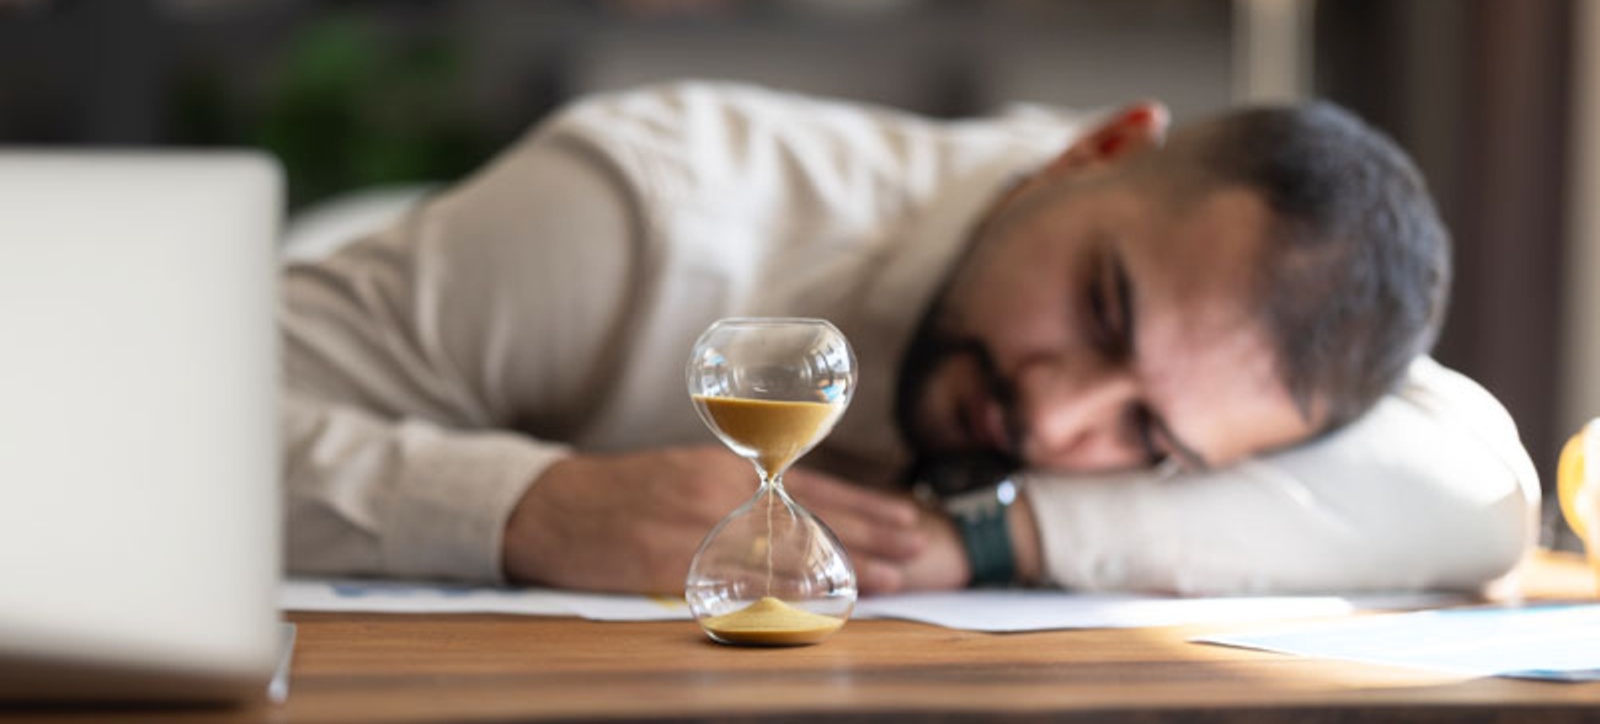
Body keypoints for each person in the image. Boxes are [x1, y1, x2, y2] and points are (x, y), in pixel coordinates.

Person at [280, 81, 1539, 597]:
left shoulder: (1217, 365)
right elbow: (154, 416)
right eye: (1103, 309)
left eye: (1146, 432)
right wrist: (527, 506)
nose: (1055, 422)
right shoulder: (642, 216)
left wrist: (992, 532)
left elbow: (1476, 486)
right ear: (1093, 150)